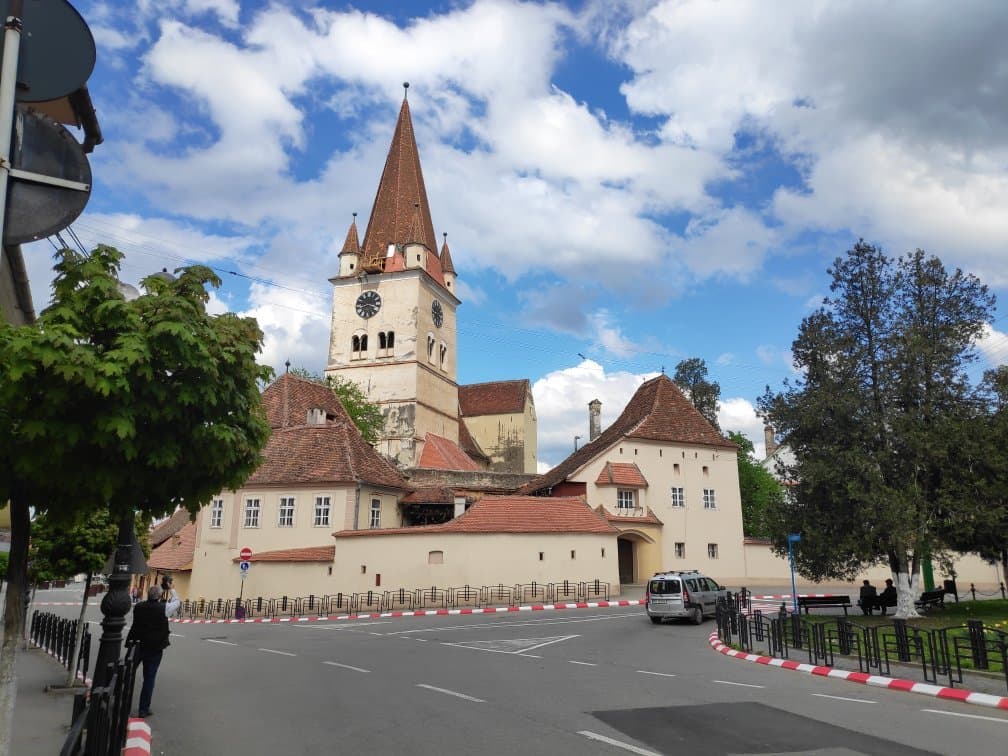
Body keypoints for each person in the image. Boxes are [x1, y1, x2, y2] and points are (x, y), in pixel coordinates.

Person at [128, 584, 171, 718]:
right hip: (154, 648)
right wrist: (172, 588)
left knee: (127, 674)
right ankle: (143, 709)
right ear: (159, 596)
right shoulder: (164, 609)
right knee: (149, 678)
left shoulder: (139, 607)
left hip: (137, 644)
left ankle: (121, 702)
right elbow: (177, 602)